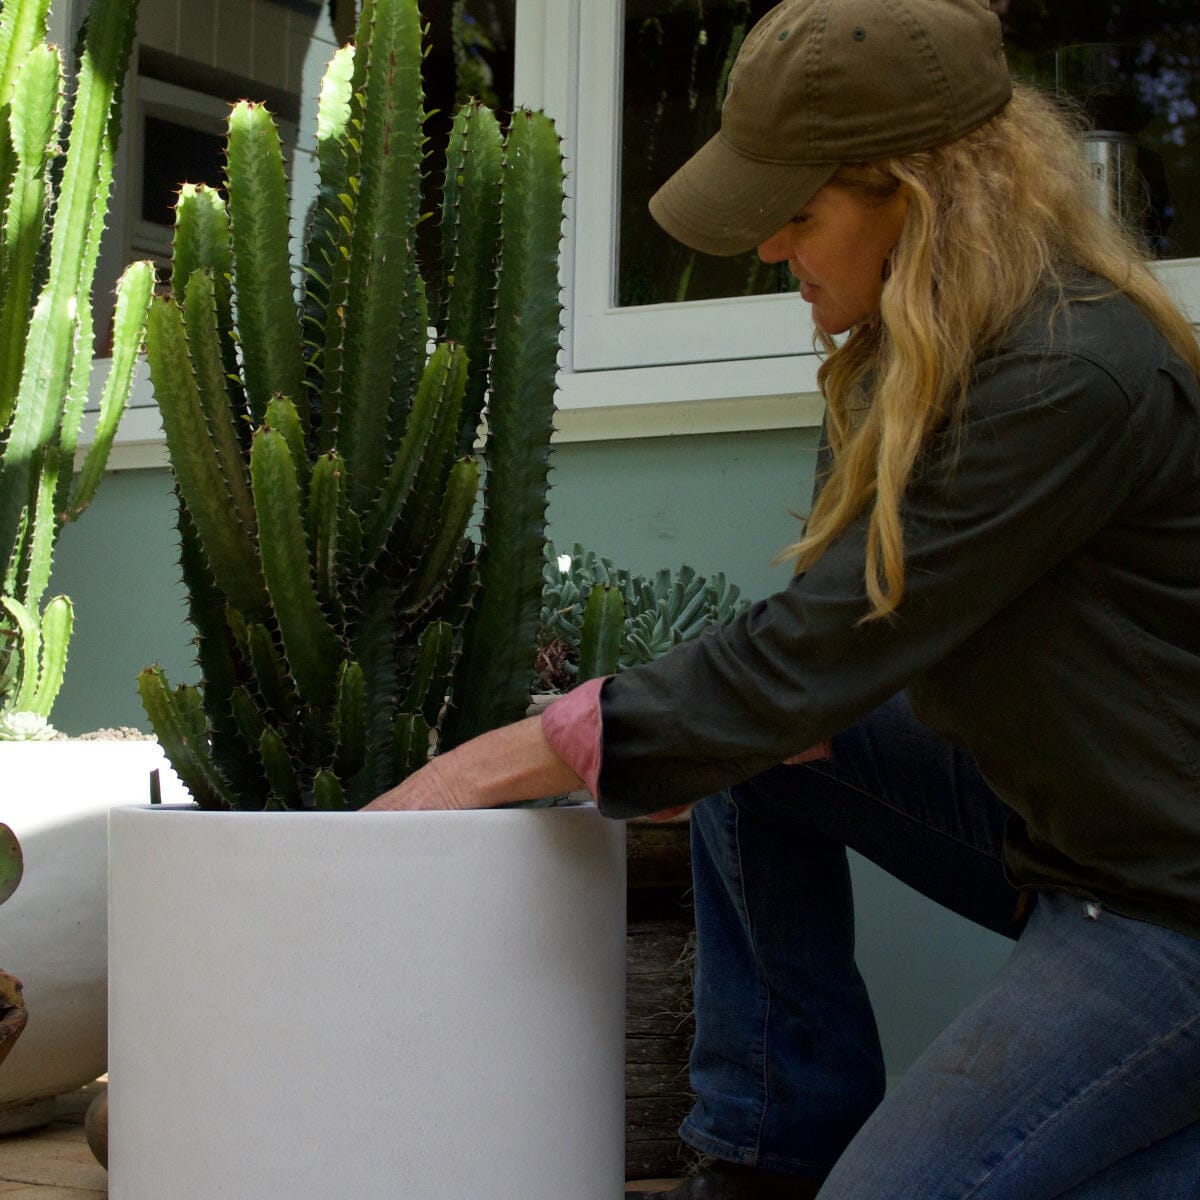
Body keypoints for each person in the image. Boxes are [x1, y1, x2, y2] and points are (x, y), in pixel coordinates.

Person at [365, 0, 1200, 1194]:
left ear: (922, 196)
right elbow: (797, 703)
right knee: (752, 759)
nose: (767, 249)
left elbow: (801, 661)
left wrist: (475, 771)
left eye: (801, 215)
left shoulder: (1065, 376)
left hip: (1169, 901)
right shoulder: (917, 357)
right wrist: (661, 743)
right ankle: (763, 1158)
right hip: (1077, 844)